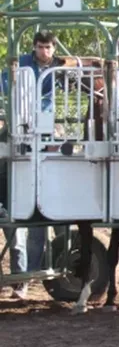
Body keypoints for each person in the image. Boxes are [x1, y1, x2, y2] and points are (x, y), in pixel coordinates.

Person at [0, 31, 58, 297]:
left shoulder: (59, 66)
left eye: (47, 47)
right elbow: (3, 85)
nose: (43, 51)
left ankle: (26, 278)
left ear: (53, 48)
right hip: (20, 133)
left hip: (45, 137)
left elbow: (87, 67)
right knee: (16, 224)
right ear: (33, 47)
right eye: (40, 47)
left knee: (38, 222)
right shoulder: (20, 65)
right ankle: (21, 279)